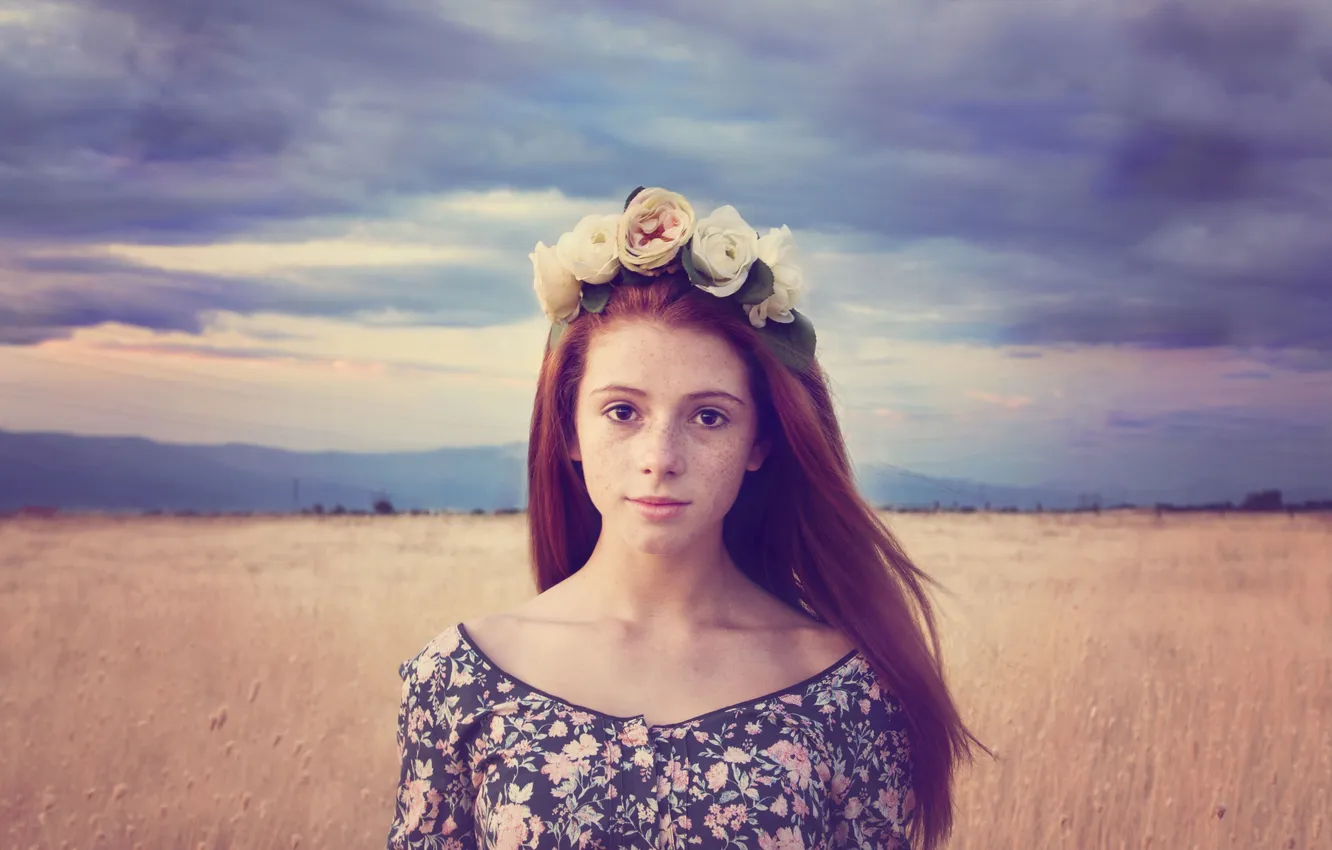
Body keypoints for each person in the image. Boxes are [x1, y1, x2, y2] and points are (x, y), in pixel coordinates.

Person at [387, 187, 991, 849]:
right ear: (569, 431)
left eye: (709, 417)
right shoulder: (459, 683)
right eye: (623, 412)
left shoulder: (848, 696)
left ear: (761, 441)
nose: (660, 458)